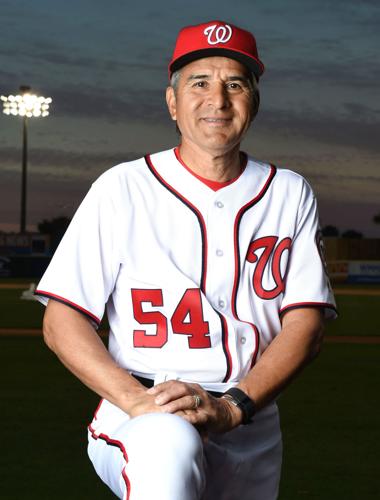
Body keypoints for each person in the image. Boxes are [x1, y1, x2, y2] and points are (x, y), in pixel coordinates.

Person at [35, 20, 336, 500]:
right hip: (144, 408)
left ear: (253, 102)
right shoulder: (123, 187)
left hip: (249, 416)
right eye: (199, 83)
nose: (217, 99)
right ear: (172, 102)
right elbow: (61, 319)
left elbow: (306, 324)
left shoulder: (289, 192)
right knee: (166, 441)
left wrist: (234, 408)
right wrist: (139, 404)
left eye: (235, 84)